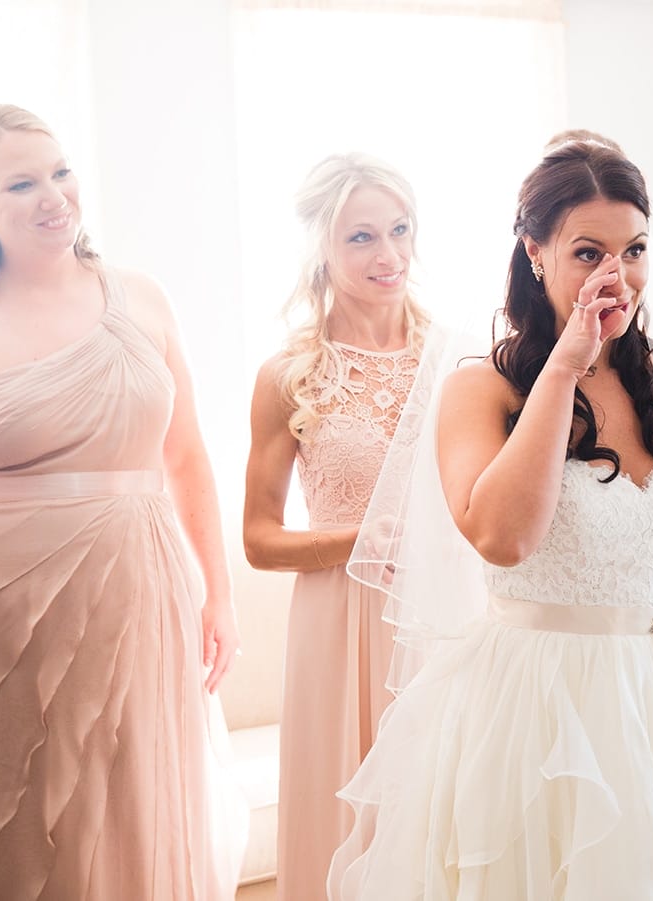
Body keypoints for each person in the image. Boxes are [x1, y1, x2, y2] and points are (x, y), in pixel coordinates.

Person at [327, 140, 653, 899]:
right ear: (534, 252)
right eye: (587, 252)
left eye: (634, 250)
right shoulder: (478, 388)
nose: (613, 276)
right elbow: (503, 537)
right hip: (540, 708)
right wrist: (563, 364)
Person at [0, 103, 243, 899]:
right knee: (21, 824)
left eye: (61, 172)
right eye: (22, 183)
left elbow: (188, 457)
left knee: (138, 806)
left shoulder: (142, 296)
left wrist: (221, 596)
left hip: (145, 595)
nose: (52, 196)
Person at [243, 153, 427, 899]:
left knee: (433, 806)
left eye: (399, 230)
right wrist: (361, 538)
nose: (388, 256)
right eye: (360, 238)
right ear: (322, 245)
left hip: (436, 621)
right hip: (335, 622)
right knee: (340, 816)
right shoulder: (289, 372)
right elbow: (258, 538)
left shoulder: (463, 360)